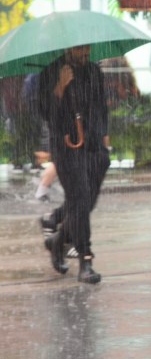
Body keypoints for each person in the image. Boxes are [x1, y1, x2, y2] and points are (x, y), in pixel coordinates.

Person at [38, 45, 111, 284]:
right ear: (68, 48)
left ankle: (57, 242)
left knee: (85, 204)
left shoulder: (93, 71)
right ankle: (86, 261)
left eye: (87, 47)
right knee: (79, 201)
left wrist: (103, 135)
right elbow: (45, 113)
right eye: (80, 49)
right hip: (67, 148)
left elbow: (101, 107)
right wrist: (60, 87)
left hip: (94, 148)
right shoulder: (51, 72)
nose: (85, 52)